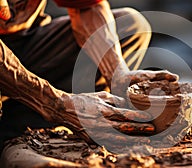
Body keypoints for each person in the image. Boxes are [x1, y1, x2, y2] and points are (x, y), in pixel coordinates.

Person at [0, 0, 178, 152]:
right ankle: (16, 130)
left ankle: (27, 122)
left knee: (131, 25)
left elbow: (85, 7)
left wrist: (116, 72)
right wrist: (57, 104)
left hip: (24, 46)